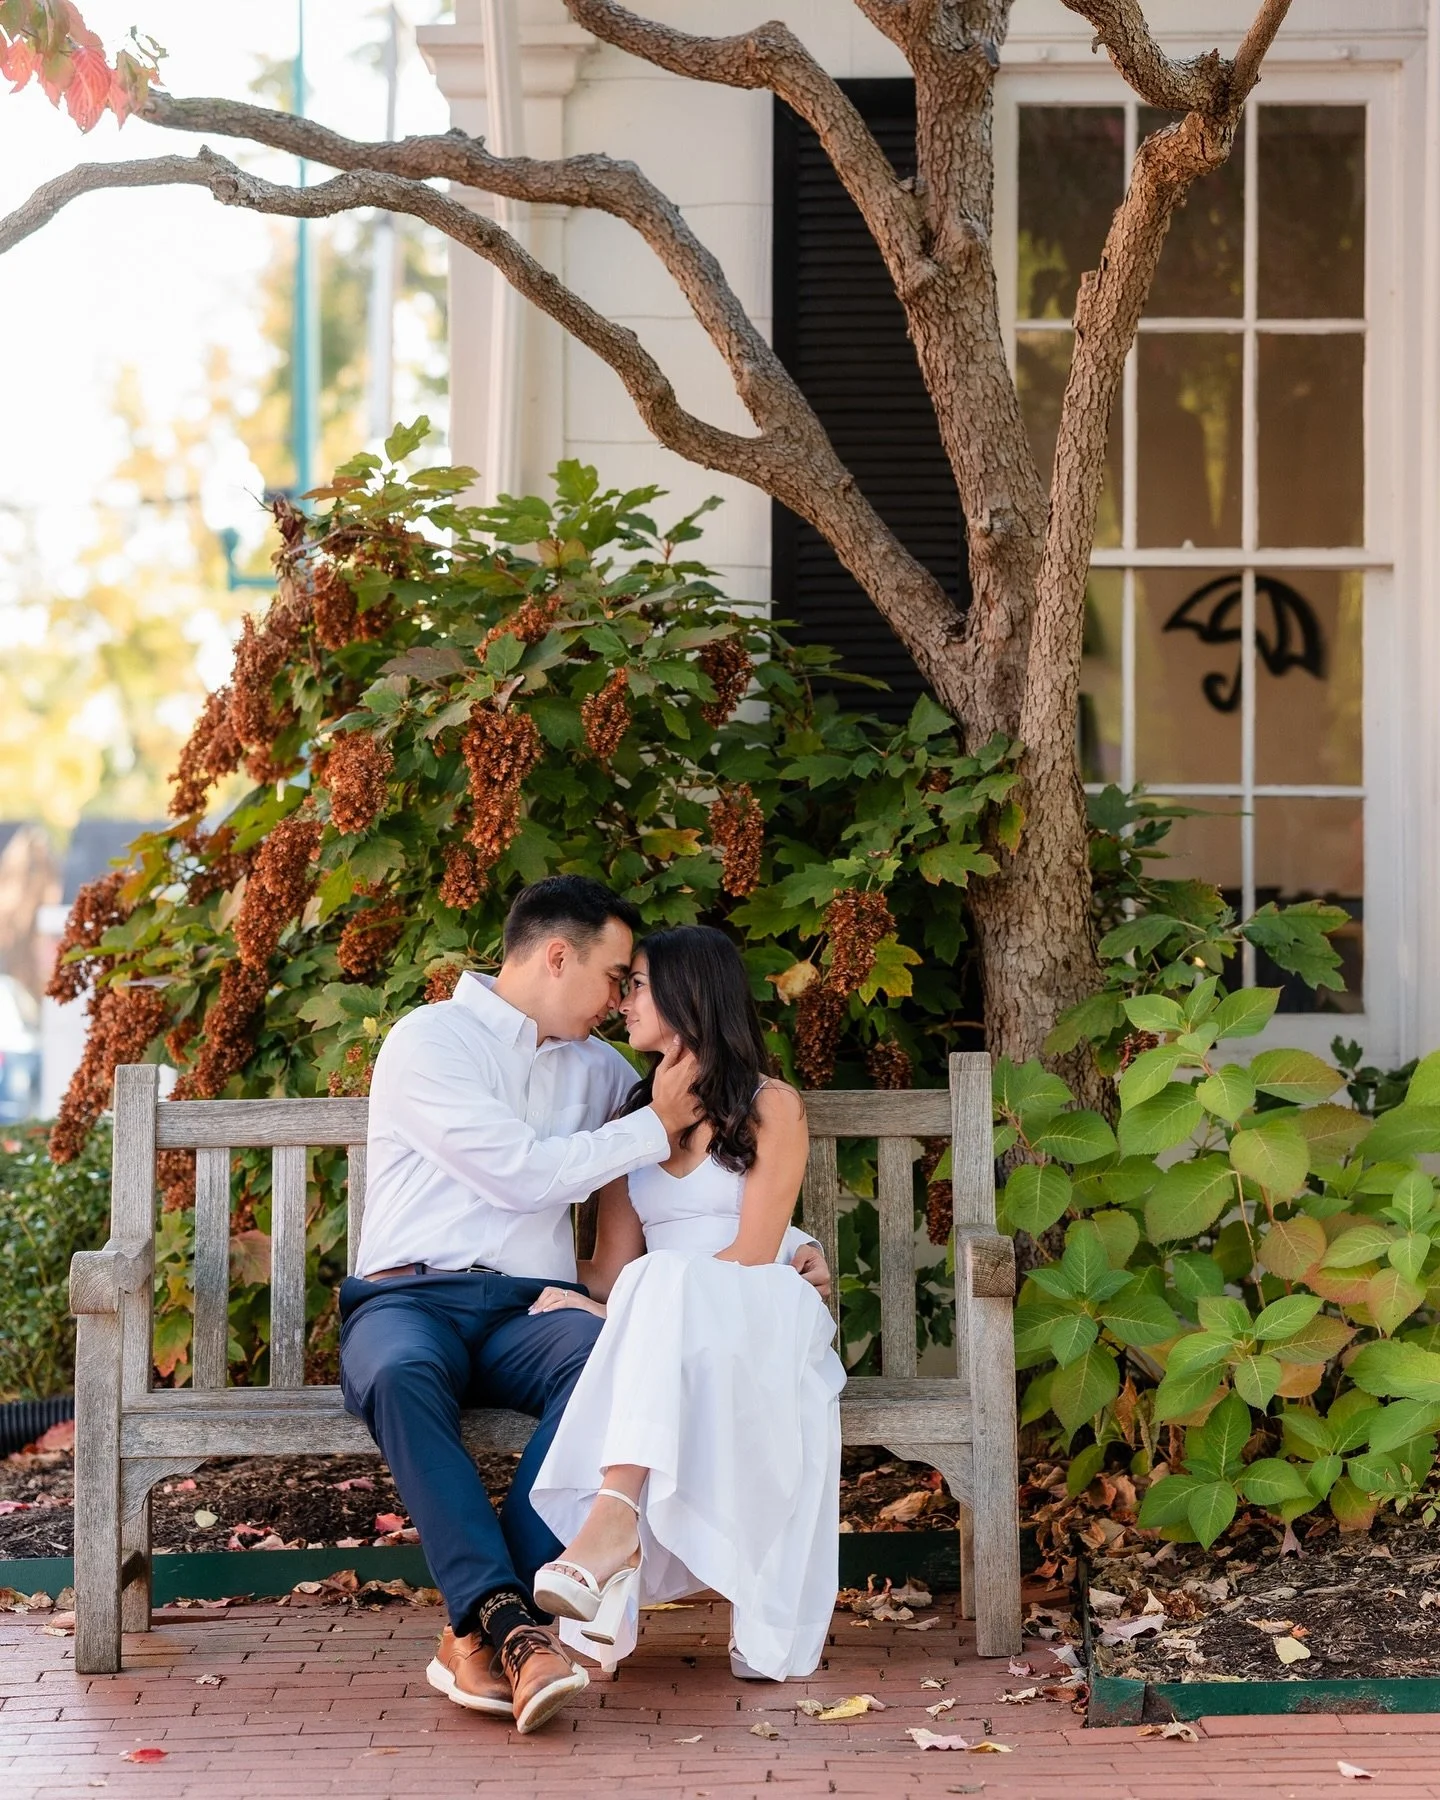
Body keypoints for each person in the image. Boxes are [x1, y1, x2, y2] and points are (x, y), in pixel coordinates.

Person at [337, 877, 830, 1736]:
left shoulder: (608, 1073)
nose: (618, 999)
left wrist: (794, 1246)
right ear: (557, 956)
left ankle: (530, 1601)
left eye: (632, 984)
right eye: (613, 977)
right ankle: (501, 1622)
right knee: (400, 1377)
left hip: (529, 1310)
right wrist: (653, 1128)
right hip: (408, 1296)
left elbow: (723, 1167)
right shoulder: (431, 1042)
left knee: (607, 1363)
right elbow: (522, 1170)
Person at [527, 925, 846, 1683]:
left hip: (757, 1308)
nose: (622, 1000)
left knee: (658, 1284)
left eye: (636, 985)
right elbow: (611, 1271)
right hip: (663, 1324)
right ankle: (614, 1539)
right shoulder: (632, 1125)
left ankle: (610, 1530)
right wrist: (576, 1295)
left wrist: (631, 1312)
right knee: (649, 1284)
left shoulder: (773, 1106)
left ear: (688, 994)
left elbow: (754, 1247)